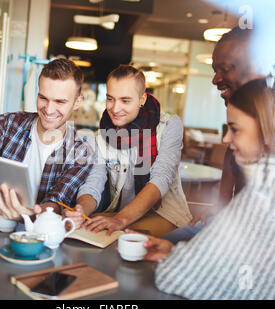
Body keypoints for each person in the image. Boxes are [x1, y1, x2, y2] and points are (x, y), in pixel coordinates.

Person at [131, 78, 275, 299]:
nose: (225, 139)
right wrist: (177, 253)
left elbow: (174, 277)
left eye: (235, 129)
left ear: (269, 131)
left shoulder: (264, 195)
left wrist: (180, 260)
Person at [0, 58, 94, 219]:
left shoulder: (81, 153)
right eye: (43, 98)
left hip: (40, 232)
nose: (49, 109)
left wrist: (27, 215)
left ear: (77, 102)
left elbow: (55, 202)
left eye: (60, 101)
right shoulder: (8, 124)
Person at [64, 65, 191, 237]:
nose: (115, 109)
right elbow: (94, 181)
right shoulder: (100, 136)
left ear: (142, 99)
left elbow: (162, 177)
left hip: (162, 215)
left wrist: (120, 220)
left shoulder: (169, 125)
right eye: (110, 99)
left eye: (125, 100)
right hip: (118, 214)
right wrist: (80, 209)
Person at [164, 26, 263, 244]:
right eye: (214, 70)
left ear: (256, 69)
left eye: (225, 69)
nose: (215, 79)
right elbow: (229, 187)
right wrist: (221, 212)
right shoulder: (239, 116)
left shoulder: (273, 127)